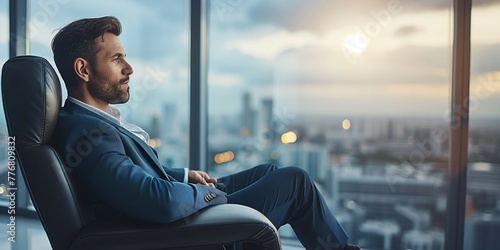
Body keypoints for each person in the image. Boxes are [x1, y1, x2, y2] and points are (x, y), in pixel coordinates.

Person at [49, 16, 361, 250]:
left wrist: (184, 176)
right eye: (117, 59)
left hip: (168, 222)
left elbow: (123, 177)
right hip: (179, 237)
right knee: (295, 183)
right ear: (84, 70)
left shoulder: (83, 122)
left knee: (268, 171)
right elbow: (159, 203)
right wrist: (210, 196)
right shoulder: (90, 134)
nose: (129, 68)